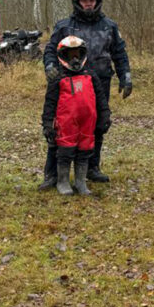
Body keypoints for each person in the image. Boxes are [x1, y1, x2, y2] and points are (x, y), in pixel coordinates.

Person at [41, 0, 131, 187]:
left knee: (97, 125)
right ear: (77, 2)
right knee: (59, 126)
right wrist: (50, 67)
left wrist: (125, 76)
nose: (89, 3)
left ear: (98, 2)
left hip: (99, 82)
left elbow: (119, 53)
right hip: (67, 83)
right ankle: (52, 174)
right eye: (85, 0)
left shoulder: (109, 26)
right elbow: (50, 50)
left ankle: (92, 167)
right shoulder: (64, 26)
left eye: (92, 0)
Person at [41, 36, 110, 196]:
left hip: (88, 122)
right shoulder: (58, 78)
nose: (75, 59)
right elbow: (49, 103)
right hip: (66, 123)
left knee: (85, 150)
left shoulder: (91, 75)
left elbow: (101, 98)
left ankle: (80, 181)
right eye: (71, 55)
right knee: (65, 151)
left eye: (78, 54)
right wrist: (47, 124)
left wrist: (105, 116)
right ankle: (62, 181)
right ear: (63, 56)